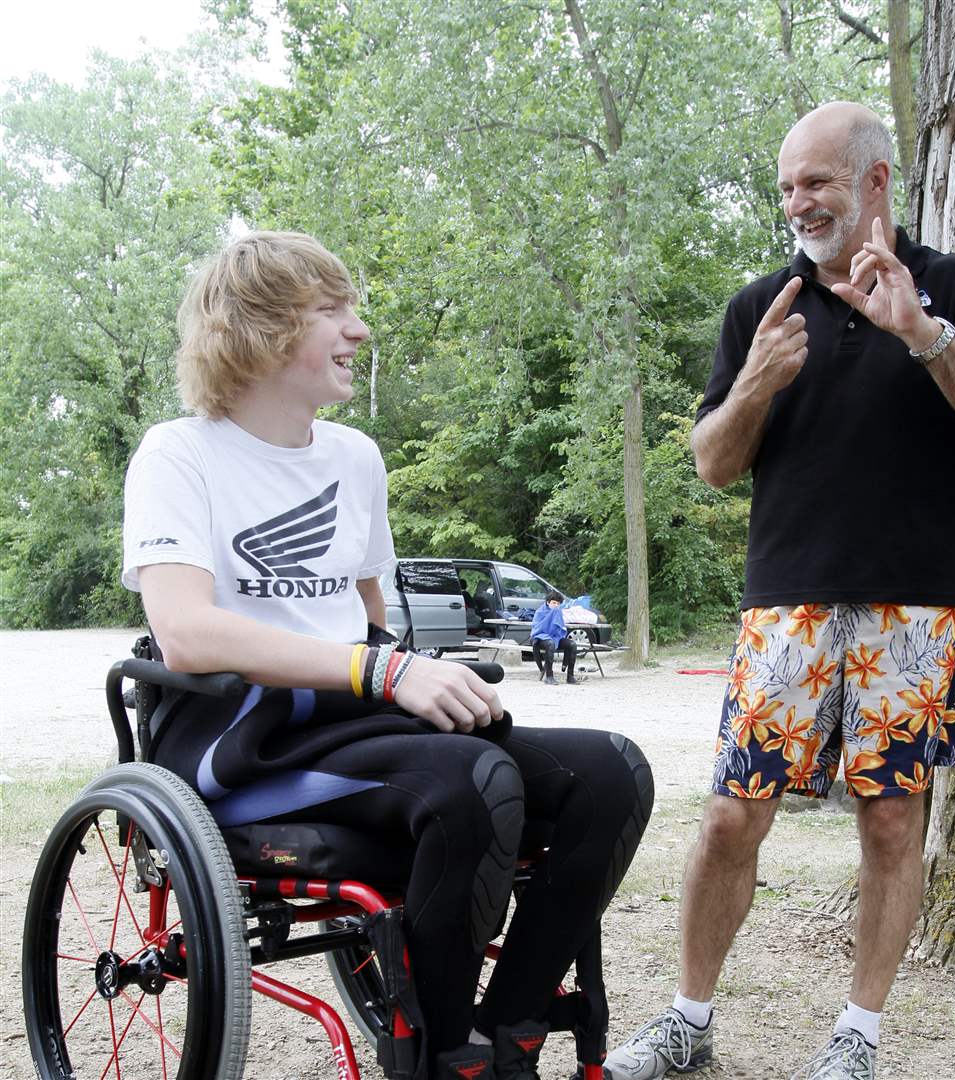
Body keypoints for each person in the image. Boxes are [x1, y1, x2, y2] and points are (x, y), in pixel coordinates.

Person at [122, 231, 654, 1080]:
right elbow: (187, 631)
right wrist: (384, 671)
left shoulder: (354, 458)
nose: (358, 329)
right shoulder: (178, 453)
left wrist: (410, 675)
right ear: (259, 327)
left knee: (613, 773)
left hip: (355, 713)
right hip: (241, 733)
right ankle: (445, 1056)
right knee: (472, 790)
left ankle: (510, 1028)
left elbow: (368, 616)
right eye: (332, 310)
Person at [605, 102, 955, 1080]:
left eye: (817, 183)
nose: (798, 203)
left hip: (916, 607)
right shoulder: (762, 306)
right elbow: (713, 463)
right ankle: (687, 1021)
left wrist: (925, 336)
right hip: (786, 604)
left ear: (877, 182)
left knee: (892, 818)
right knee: (730, 815)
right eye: (788, 187)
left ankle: (856, 1039)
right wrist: (755, 383)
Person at [530, 592, 579, 685]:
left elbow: (560, 629)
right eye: (554, 603)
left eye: (558, 603)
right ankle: (549, 676)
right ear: (548, 602)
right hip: (540, 637)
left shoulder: (558, 612)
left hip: (554, 638)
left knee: (572, 644)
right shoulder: (540, 612)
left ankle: (570, 677)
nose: (556, 605)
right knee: (550, 643)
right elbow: (537, 629)